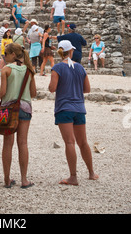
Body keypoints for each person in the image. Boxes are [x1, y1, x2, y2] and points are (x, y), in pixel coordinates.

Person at [49, 40, 99, 186]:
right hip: (79, 108)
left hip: (64, 108)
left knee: (69, 142)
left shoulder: (57, 68)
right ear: (71, 51)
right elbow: (87, 89)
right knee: (83, 142)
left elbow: (52, 88)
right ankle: (91, 173)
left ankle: (73, 176)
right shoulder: (80, 68)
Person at [0, 42, 36, 188]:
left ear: (13, 55)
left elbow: (2, 94)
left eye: (6, 54)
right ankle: (24, 179)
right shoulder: (29, 70)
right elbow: (33, 93)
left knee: (8, 144)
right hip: (25, 108)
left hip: (8, 109)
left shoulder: (6, 70)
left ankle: (7, 179)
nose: (4, 56)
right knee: (23, 143)